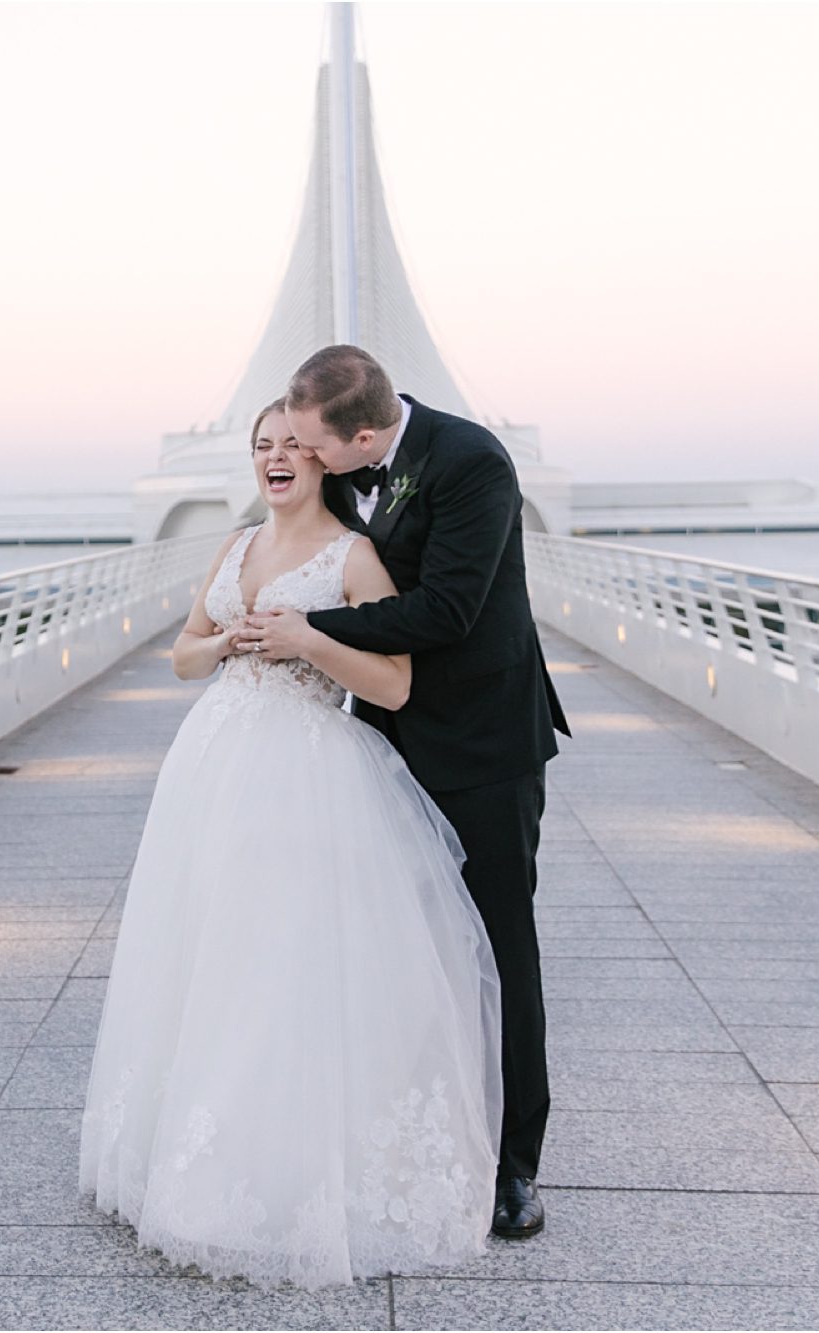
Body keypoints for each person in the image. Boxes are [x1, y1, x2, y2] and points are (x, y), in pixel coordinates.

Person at [77, 400, 503, 1289]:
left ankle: (292, 1168)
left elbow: (392, 682)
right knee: (210, 954)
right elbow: (184, 654)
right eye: (262, 446)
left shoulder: (355, 557)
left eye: (291, 448)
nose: (275, 458)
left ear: (322, 462)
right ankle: (196, 1159)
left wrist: (308, 637)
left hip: (307, 771)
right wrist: (229, 641)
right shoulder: (232, 547)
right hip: (209, 773)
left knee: (287, 962)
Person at [241, 344, 571, 1240]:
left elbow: (445, 610)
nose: (303, 459)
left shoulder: (471, 463)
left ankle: (514, 1165)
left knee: (500, 947)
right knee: (394, 945)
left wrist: (309, 626)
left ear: (365, 433)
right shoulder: (345, 472)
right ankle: (411, 1134)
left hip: (483, 742)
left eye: (314, 447)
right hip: (378, 740)